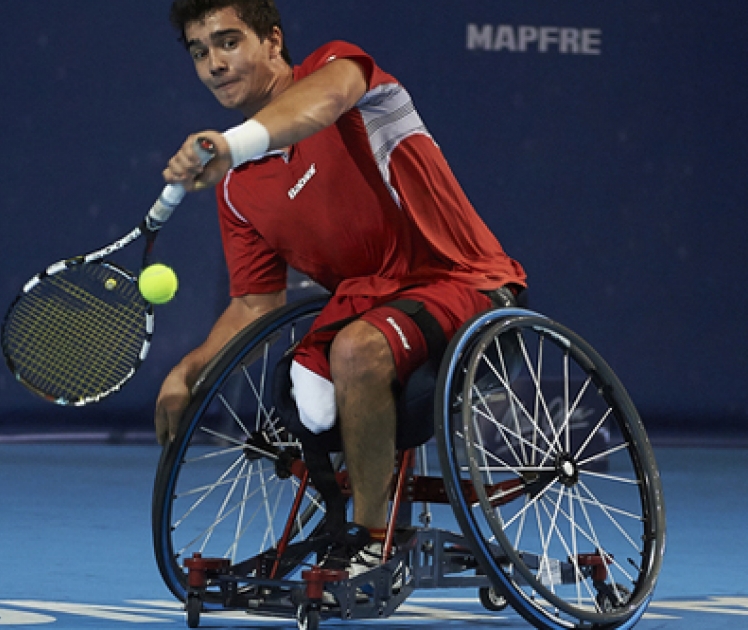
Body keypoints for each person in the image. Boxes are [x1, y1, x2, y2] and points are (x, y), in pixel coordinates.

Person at [156, 0, 526, 577]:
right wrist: (191, 369)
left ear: (272, 41)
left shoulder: (340, 74)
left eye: (229, 42)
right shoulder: (237, 192)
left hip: (467, 281)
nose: (214, 64)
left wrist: (230, 144)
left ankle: (371, 541)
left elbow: (322, 105)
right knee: (323, 368)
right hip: (374, 309)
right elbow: (256, 305)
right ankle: (351, 519)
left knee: (356, 347)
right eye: (200, 51)